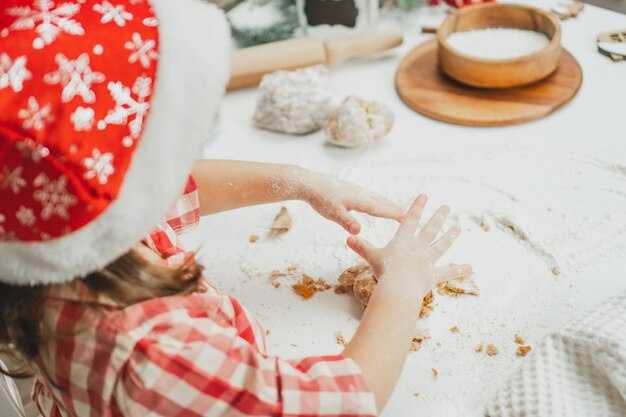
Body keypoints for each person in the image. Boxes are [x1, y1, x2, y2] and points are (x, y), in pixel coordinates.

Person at [0, 0, 470, 415]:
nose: (179, 161)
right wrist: (403, 286)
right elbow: (340, 402)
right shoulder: (148, 358)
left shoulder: (50, 246)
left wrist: (300, 182)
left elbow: (176, 188)